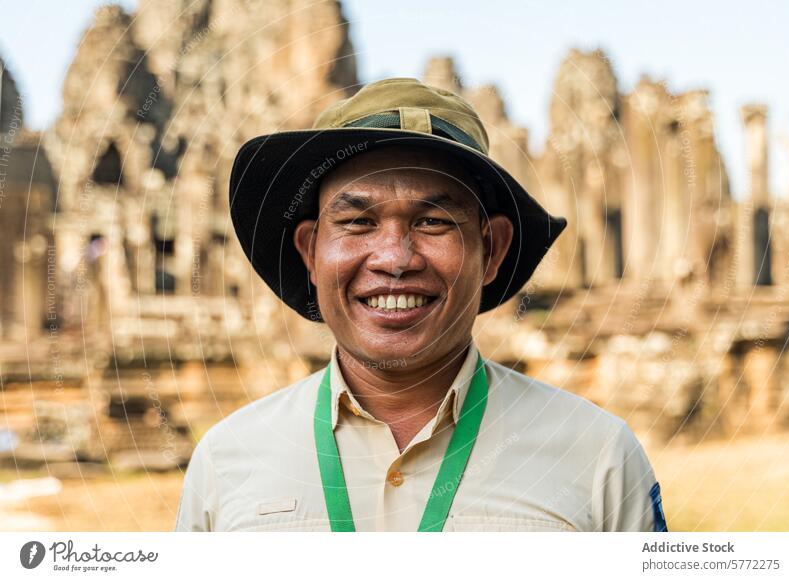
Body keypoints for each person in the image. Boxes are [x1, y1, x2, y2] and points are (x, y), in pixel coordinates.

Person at [175, 78, 668, 532]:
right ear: (310, 251)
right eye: (357, 222)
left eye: (433, 222)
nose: (394, 258)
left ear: (491, 249)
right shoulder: (226, 459)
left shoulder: (599, 454)